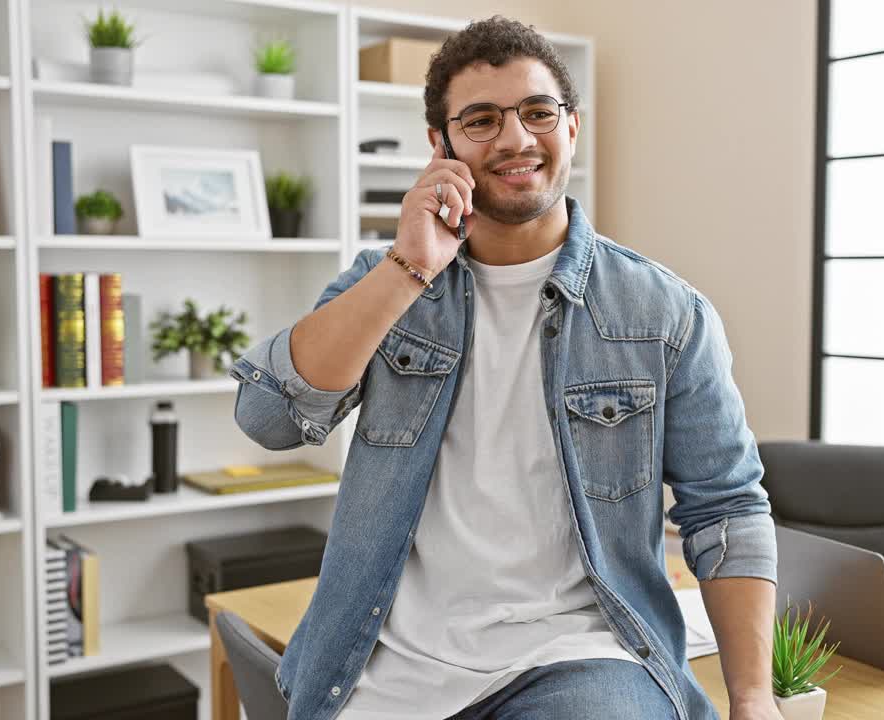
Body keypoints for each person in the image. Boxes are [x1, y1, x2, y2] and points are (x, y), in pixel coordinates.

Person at [230, 15, 782, 720]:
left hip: (580, 659)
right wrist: (409, 268)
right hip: (386, 663)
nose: (517, 139)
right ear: (441, 144)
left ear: (572, 128)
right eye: (483, 120)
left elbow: (727, 508)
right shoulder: (384, 281)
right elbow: (270, 418)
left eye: (538, 113)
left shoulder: (667, 315)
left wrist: (754, 698)